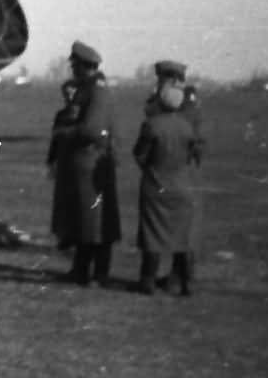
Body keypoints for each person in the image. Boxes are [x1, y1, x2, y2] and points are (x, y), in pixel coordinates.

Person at [50, 40, 122, 286]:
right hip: (84, 165)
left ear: (84, 65)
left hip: (91, 165)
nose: (72, 69)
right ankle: (81, 270)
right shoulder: (87, 88)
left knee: (95, 224)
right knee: (85, 222)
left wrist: (64, 134)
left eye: (75, 65)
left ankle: (97, 273)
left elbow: (92, 129)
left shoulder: (96, 91)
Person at [134, 80, 205, 296]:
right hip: (181, 185)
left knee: (152, 234)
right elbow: (194, 154)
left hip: (155, 186)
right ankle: (186, 282)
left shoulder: (151, 125)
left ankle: (148, 280)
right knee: (182, 236)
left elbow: (140, 155)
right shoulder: (187, 126)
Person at [46, 79, 81, 250]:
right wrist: (51, 161)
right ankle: (63, 235)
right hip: (63, 161)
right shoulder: (60, 115)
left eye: (71, 93)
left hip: (76, 162)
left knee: (75, 199)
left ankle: (75, 235)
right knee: (62, 201)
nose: (68, 97)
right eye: (66, 94)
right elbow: (54, 141)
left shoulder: (83, 115)